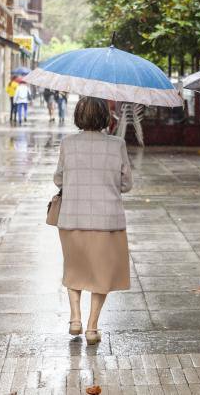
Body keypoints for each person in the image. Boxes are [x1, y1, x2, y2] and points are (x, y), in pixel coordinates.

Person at [53, 96, 133, 345]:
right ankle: (91, 328)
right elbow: (126, 184)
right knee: (102, 273)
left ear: (78, 116)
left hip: (72, 219)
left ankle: (74, 319)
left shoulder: (68, 143)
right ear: (105, 118)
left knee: (74, 268)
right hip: (107, 221)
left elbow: (58, 179)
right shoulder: (117, 144)